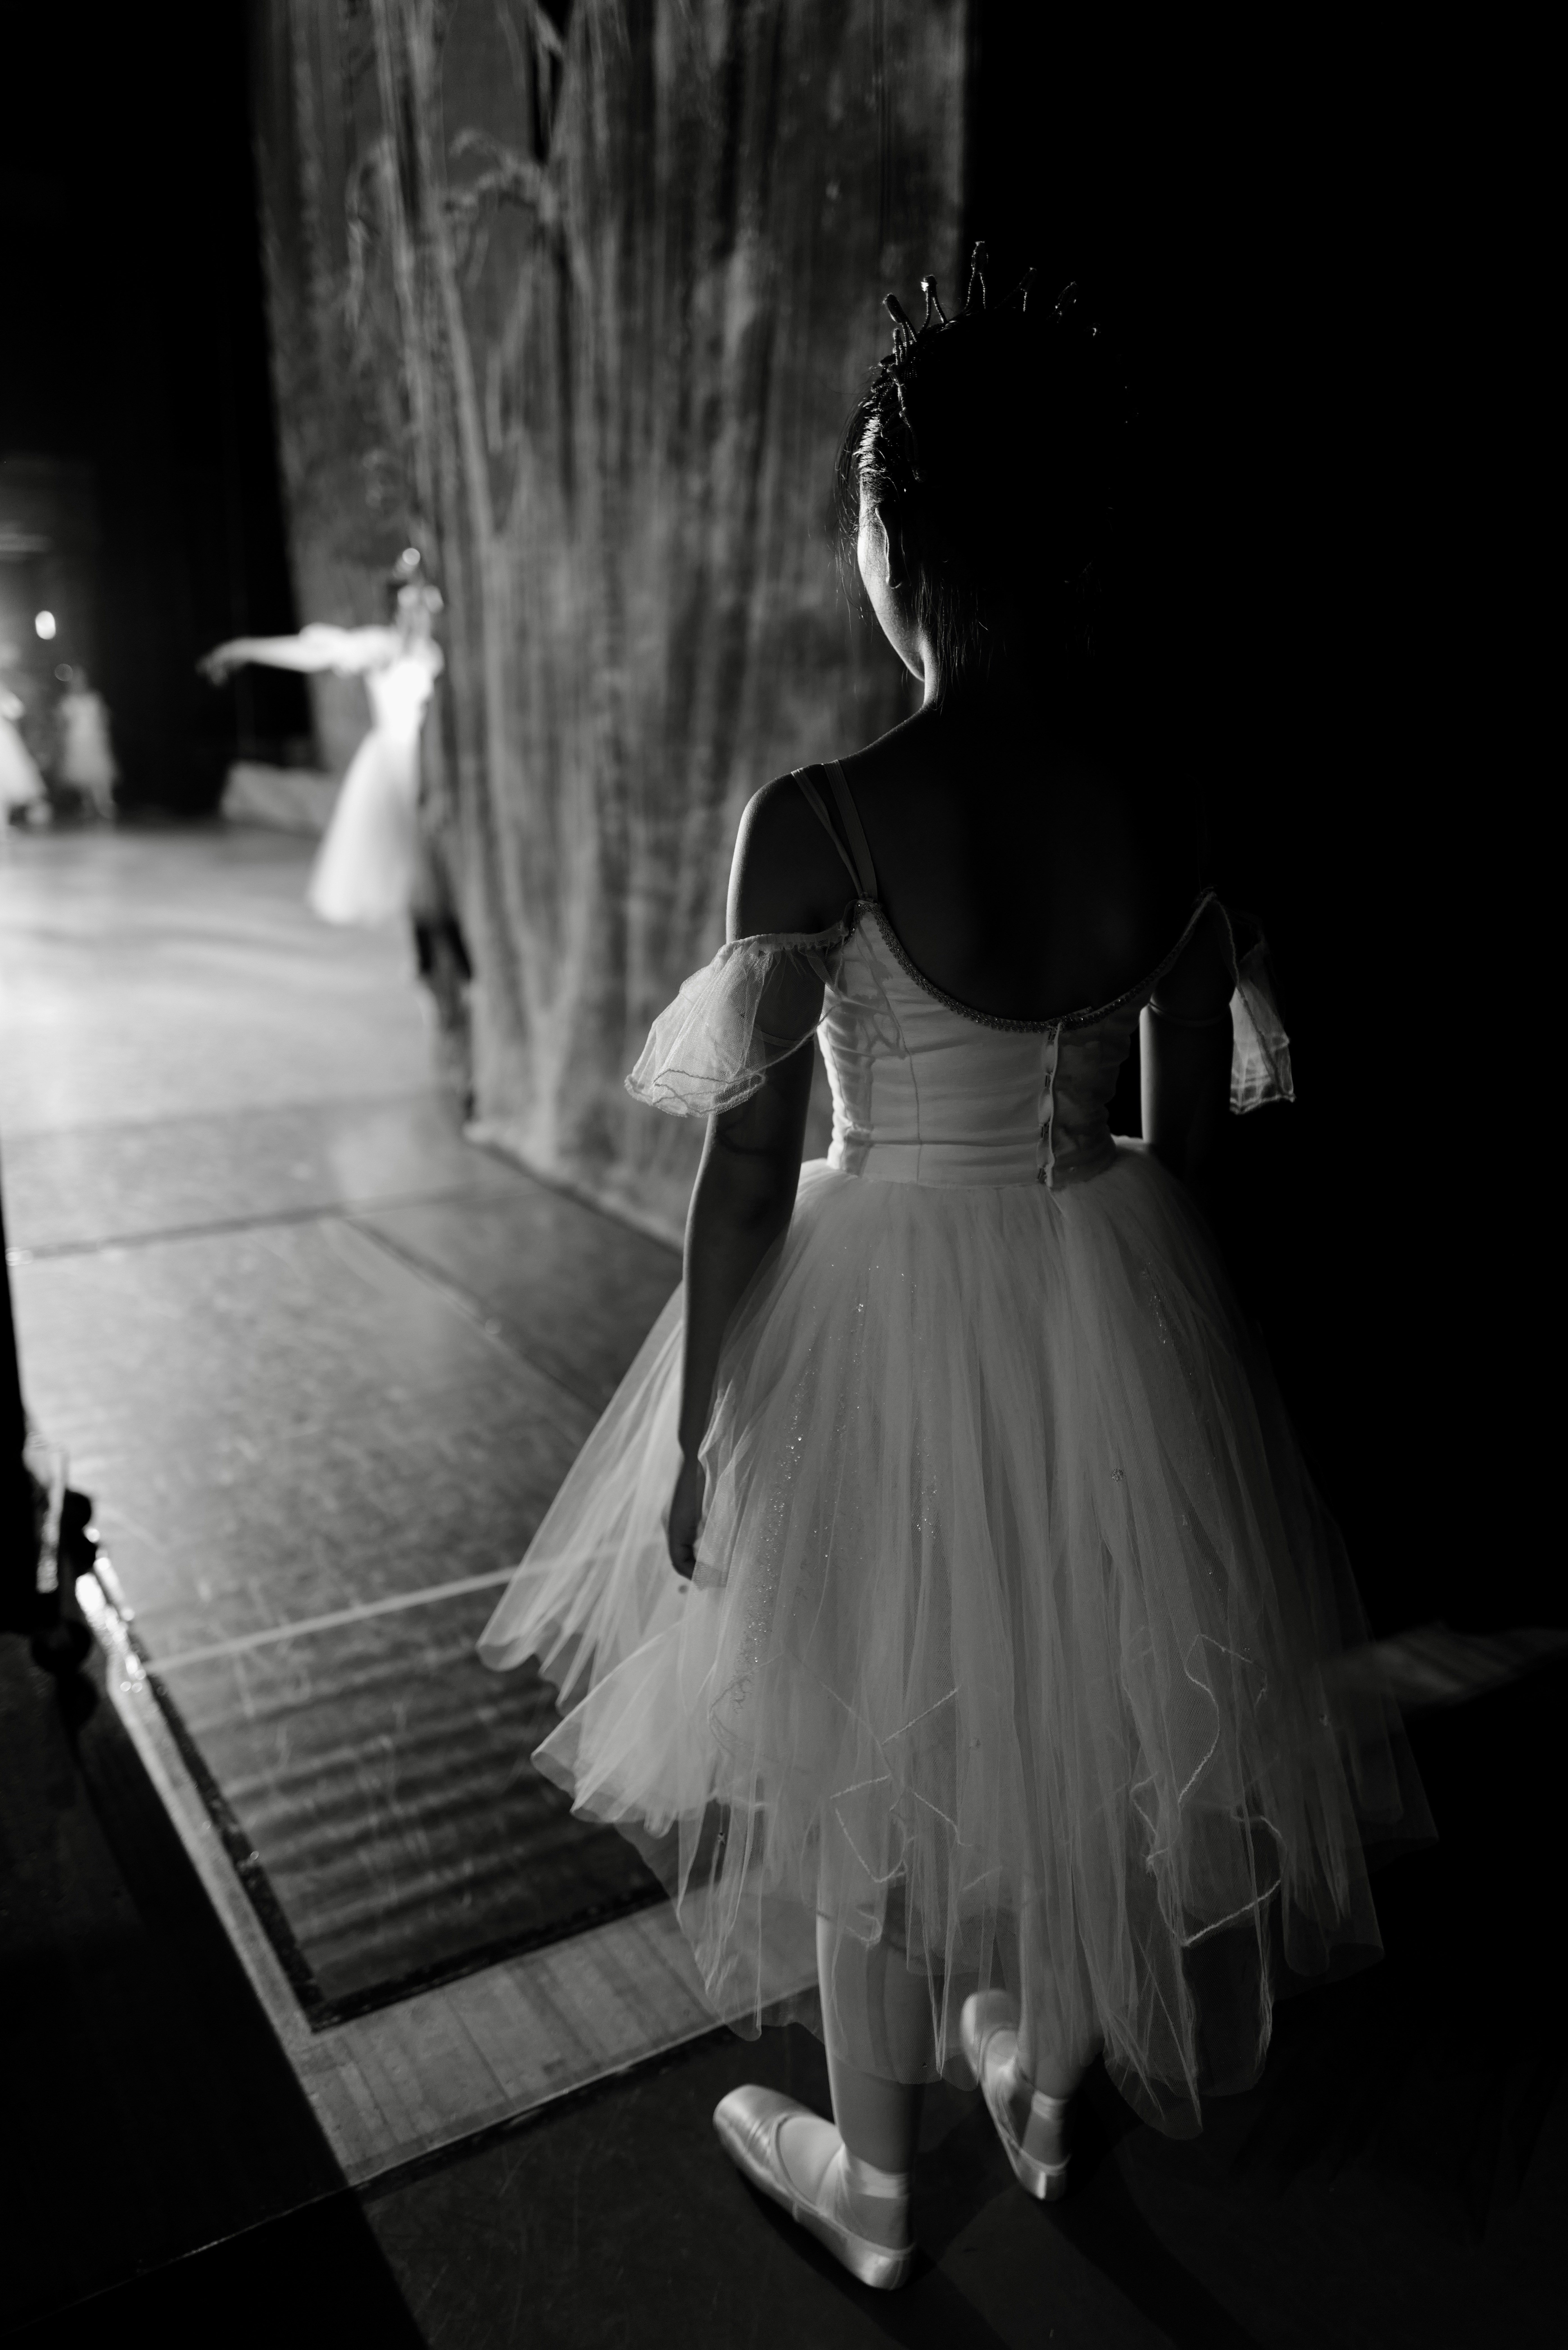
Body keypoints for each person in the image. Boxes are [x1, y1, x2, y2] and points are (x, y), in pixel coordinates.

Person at [478, 253, 1422, 2290]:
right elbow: (1175, 1132)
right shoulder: (1162, 809)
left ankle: (884, 2189)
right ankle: (1043, 2062)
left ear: (891, 537)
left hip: (874, 1296)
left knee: (859, 1736)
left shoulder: (816, 818)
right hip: (1107, 1292)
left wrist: (701, 1420)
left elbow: (745, 1181)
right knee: (1071, 1702)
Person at [199, 549, 446, 930]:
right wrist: (245, 648)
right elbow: (316, 653)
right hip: (398, 764)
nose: (421, 609)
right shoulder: (384, 646)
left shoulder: (439, 653)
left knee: (438, 870)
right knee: (410, 871)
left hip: (440, 763)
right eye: (411, 600)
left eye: (427, 601)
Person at [54, 667, 119, 820]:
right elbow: (61, 725)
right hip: (76, 740)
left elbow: (104, 719)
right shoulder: (67, 701)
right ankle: (89, 806)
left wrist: (105, 736)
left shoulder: (95, 698)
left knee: (100, 773)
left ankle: (106, 805)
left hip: (94, 739)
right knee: (82, 775)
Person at [0, 682, 47, 825]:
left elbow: (15, 716)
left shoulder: (4, 694)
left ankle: (4, 826)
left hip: (6, 742)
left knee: (7, 785)